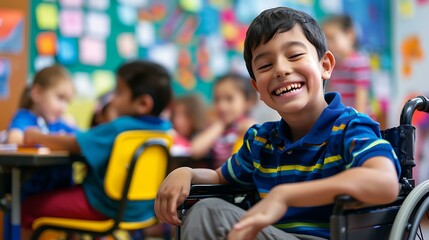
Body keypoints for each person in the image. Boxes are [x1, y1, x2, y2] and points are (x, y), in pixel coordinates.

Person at [155, 7, 401, 240]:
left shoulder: (350, 127)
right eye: (265, 65)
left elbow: (384, 182)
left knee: (208, 212)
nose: (281, 70)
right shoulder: (260, 141)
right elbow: (220, 178)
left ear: (325, 66)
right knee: (208, 208)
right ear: (257, 88)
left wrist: (286, 196)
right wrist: (185, 172)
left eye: (294, 55)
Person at [19, 60, 173, 239]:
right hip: (142, 209)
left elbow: (75, 144)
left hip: (103, 206)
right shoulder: (164, 130)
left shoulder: (120, 127)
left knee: (29, 207)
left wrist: (36, 137)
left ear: (143, 104)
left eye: (119, 92)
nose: (113, 98)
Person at [6, 65, 78, 200]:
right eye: (60, 98)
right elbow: (14, 139)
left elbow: (82, 139)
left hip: (60, 193)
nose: (64, 107)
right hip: (33, 195)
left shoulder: (60, 123)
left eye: (67, 101)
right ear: (37, 93)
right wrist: (48, 139)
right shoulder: (24, 117)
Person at [190, 73, 257, 168]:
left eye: (229, 99)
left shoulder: (248, 125)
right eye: (217, 99)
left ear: (248, 101)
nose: (222, 106)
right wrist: (218, 126)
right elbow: (194, 151)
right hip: (216, 178)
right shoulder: (215, 126)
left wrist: (249, 130)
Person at [322, 14, 373, 116]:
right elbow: (329, 92)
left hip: (357, 119)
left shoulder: (359, 62)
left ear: (350, 34)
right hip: (341, 117)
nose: (329, 44)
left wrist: (358, 122)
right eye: (326, 39)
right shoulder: (333, 63)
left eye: (332, 38)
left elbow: (361, 98)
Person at [169, 93, 208, 158]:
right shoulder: (171, 134)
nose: (177, 121)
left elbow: (194, 150)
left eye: (185, 116)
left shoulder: (203, 137)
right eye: (175, 114)